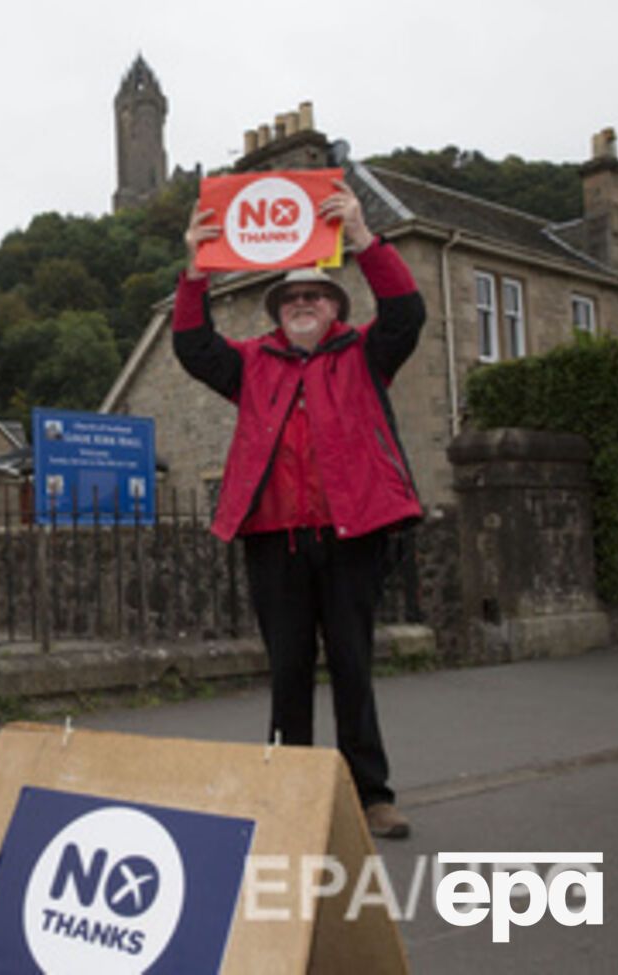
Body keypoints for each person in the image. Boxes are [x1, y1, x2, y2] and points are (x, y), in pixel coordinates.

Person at [173, 178, 425, 839]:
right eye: (291, 296)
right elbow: (194, 348)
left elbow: (407, 314)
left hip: (352, 536)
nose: (302, 302)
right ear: (277, 310)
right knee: (287, 669)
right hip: (273, 538)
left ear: (334, 306)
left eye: (314, 294)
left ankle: (372, 795)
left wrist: (365, 238)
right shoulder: (252, 363)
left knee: (351, 664)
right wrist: (195, 273)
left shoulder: (366, 352)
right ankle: (286, 797)